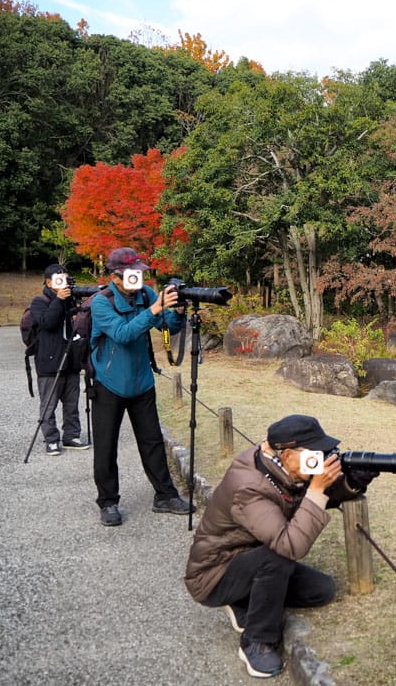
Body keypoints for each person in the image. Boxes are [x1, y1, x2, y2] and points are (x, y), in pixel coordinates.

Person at [184, 414, 375, 679]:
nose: (321, 458)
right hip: (214, 575)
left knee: (322, 590)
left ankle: (243, 601)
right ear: (286, 455)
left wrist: (350, 484)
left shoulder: (281, 466)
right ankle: (257, 640)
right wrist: (317, 489)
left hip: (252, 556)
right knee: (278, 557)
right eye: (315, 452)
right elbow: (290, 545)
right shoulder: (249, 486)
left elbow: (304, 499)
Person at [90, 247, 192, 527]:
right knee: (106, 446)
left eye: (139, 273)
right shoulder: (101, 302)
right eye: (131, 274)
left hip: (142, 381)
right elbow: (123, 334)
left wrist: (177, 310)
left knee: (152, 442)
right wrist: (155, 308)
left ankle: (165, 496)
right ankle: (108, 502)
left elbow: (167, 327)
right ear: (115, 276)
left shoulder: (145, 294)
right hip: (109, 384)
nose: (138, 278)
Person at [30, 264, 88, 456]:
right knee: (49, 405)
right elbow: (47, 323)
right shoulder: (39, 301)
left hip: (70, 361)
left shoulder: (69, 300)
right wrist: (59, 300)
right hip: (49, 363)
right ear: (48, 282)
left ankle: (71, 436)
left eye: (66, 279)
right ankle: (52, 440)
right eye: (59, 279)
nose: (64, 283)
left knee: (72, 404)